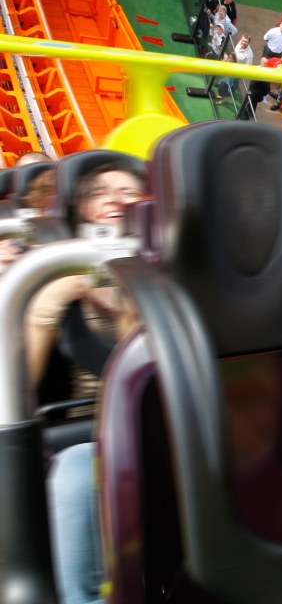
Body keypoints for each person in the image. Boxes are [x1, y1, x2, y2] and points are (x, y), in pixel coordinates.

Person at [40, 163, 146, 604]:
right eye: (102, 192)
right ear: (80, 211)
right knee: (79, 473)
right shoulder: (51, 277)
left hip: (162, 425)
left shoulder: (168, 278)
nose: (117, 199)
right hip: (88, 435)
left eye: (129, 191)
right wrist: (48, 304)